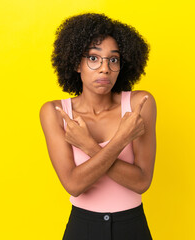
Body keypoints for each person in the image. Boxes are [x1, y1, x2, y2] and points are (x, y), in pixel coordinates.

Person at [40, 13, 156, 240]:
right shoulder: (55, 113)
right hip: (83, 227)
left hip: (132, 226)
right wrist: (122, 139)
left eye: (113, 60)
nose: (105, 69)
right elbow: (74, 185)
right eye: (94, 58)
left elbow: (141, 182)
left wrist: (88, 145)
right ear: (76, 63)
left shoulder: (138, 105)